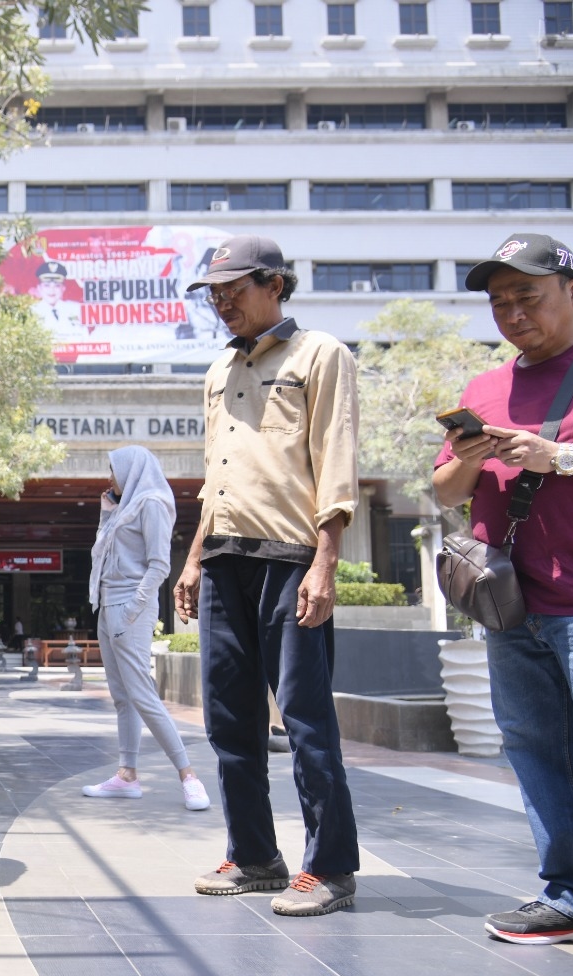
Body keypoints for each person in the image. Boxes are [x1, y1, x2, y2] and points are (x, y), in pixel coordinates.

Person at [433, 232, 573, 976]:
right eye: (499, 301)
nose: (513, 312)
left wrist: (561, 457)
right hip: (512, 603)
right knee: (538, 754)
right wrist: (472, 453)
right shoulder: (486, 387)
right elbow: (447, 493)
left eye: (529, 296)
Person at [172, 235, 362, 917]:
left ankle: (331, 866)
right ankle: (254, 854)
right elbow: (215, 476)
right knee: (229, 720)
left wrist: (325, 562)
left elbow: (335, 464)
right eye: (214, 293)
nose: (222, 303)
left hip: (290, 561)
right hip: (224, 560)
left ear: (275, 284)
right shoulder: (218, 371)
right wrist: (193, 558)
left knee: (306, 719)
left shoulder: (321, 355)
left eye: (234, 289)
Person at [81, 446, 211, 812]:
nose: (110, 479)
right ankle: (126, 775)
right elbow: (103, 553)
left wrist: (131, 611)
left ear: (132, 469)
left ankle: (189, 776)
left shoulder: (152, 502)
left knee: (142, 694)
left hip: (128, 607)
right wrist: (107, 513)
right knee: (122, 696)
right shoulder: (125, 505)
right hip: (108, 605)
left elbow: (158, 566)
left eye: (114, 471)